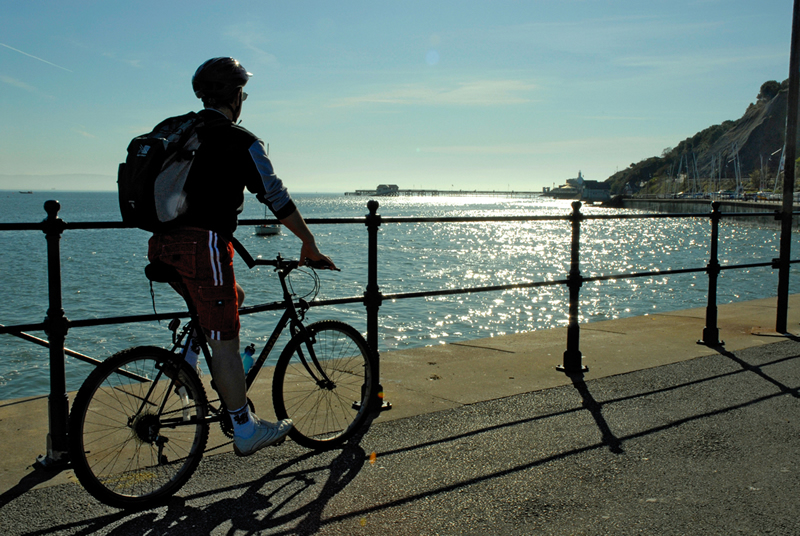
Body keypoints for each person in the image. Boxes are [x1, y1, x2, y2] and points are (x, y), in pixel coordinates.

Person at [148, 57, 336, 457]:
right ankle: (244, 428)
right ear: (235, 96)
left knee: (234, 299)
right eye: (243, 93)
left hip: (163, 243)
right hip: (206, 247)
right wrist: (309, 242)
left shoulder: (181, 131)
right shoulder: (238, 140)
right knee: (228, 345)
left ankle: (185, 362)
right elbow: (276, 197)